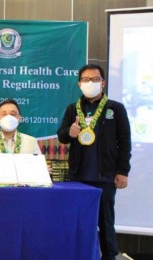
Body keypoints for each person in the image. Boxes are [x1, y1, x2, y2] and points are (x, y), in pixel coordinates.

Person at [57, 64, 131, 260]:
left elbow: (124, 142)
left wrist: (123, 171)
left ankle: (109, 256)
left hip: (105, 175)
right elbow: (62, 136)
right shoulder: (73, 109)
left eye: (95, 79)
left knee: (105, 222)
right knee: (79, 221)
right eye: (86, 80)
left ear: (103, 83)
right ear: (79, 84)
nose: (90, 83)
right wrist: (69, 133)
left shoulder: (115, 108)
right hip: (78, 175)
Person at [0, 99, 42, 182]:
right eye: (4, 114)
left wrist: (43, 171)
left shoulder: (31, 142)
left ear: (19, 118)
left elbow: (40, 169)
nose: (8, 117)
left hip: (23, 190)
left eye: (12, 114)